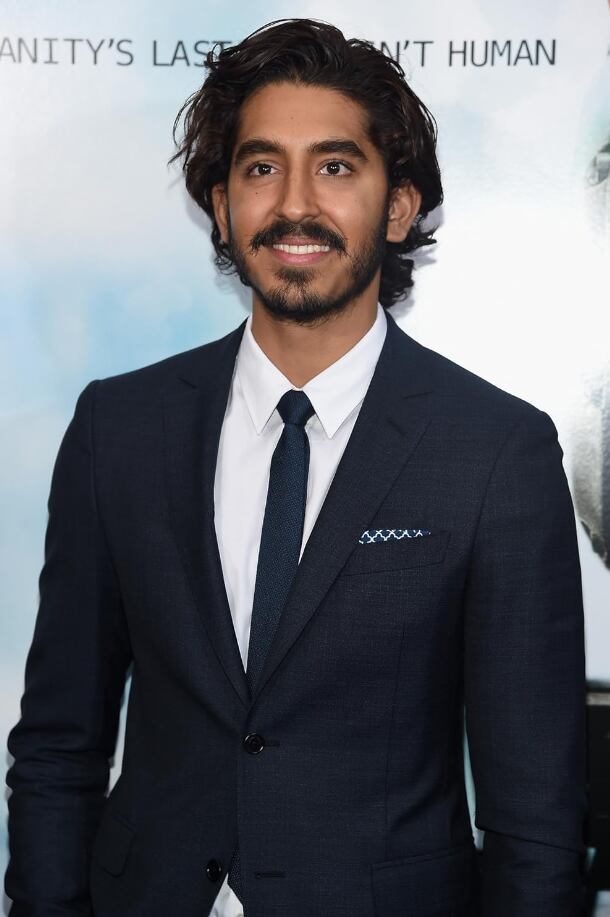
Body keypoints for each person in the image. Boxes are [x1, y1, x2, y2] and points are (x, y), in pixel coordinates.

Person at [4, 17, 587, 917]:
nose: (295, 204)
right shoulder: (118, 428)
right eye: (262, 168)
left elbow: (536, 813)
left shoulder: (495, 448)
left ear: (399, 206)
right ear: (222, 204)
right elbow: (56, 745)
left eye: (337, 166)